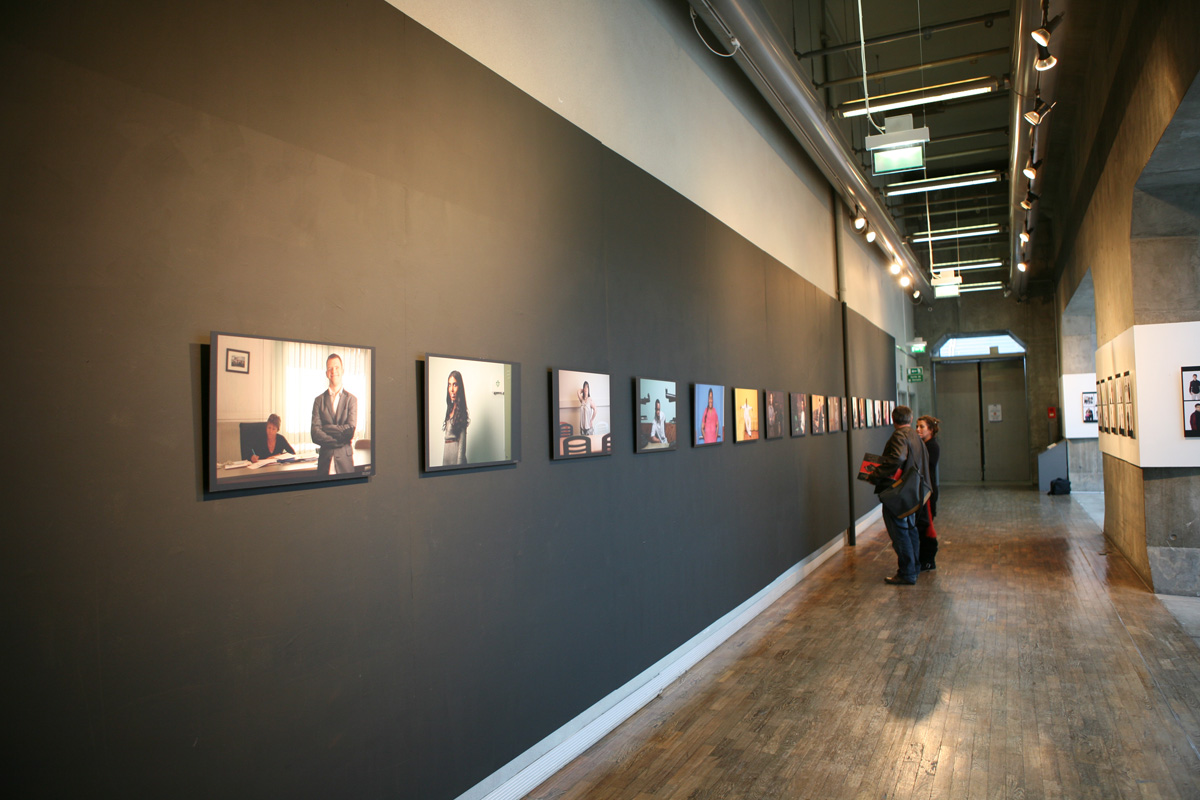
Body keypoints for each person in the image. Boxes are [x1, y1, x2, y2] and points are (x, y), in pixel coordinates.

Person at [868, 405, 931, 586]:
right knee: (910, 530)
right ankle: (914, 568)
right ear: (910, 419)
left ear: (893, 419)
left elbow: (898, 458)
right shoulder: (915, 436)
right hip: (913, 491)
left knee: (900, 533)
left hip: (899, 493)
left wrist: (876, 475)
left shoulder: (899, 435)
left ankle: (907, 572)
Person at [311, 353, 357, 475]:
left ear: (342, 371)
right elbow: (315, 433)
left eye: (337, 367)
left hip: (345, 463)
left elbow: (350, 431)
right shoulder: (318, 400)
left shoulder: (351, 400)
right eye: (330, 368)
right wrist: (337, 442)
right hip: (324, 462)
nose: (333, 371)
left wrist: (326, 428)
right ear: (326, 373)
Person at [915, 415, 941, 571]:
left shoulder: (932, 446)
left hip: (928, 492)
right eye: (917, 426)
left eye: (922, 427)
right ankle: (924, 559)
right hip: (924, 490)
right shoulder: (924, 445)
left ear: (930, 430)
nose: (918, 429)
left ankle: (928, 560)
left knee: (927, 527)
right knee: (923, 526)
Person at [442, 369, 470, 465]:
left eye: (455, 384)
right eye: (449, 385)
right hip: (446, 460)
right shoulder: (449, 410)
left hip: (456, 462)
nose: (451, 389)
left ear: (459, 387)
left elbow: (462, 447)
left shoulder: (461, 412)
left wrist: (458, 468)